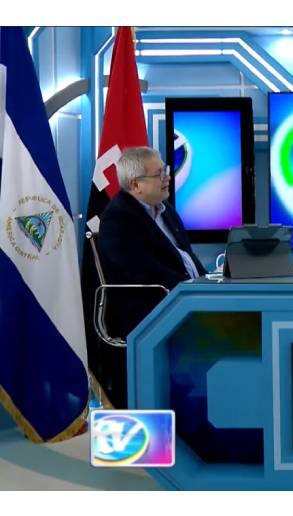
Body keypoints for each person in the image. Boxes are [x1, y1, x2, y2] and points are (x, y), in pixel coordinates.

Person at [96, 146, 207, 407]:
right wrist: (189, 288)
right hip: (149, 310)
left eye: (165, 171)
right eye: (159, 174)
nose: (167, 178)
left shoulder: (166, 211)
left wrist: (208, 281)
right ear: (136, 185)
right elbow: (141, 270)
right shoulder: (118, 218)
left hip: (182, 300)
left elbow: (185, 256)